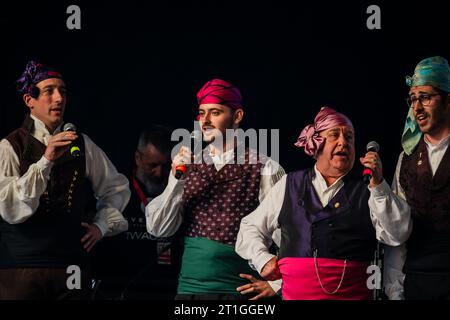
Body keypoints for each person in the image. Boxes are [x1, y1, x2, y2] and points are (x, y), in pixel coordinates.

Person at [235, 106, 412, 300]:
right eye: (334, 135)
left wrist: (379, 186)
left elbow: (398, 234)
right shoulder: (290, 184)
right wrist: (263, 259)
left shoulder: (370, 189)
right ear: (316, 143)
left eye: (349, 137)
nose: (343, 142)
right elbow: (250, 227)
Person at [0, 61, 130, 299]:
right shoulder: (10, 146)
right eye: (49, 91)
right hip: (20, 268)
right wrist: (46, 160)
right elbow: (9, 209)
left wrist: (101, 226)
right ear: (30, 100)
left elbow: (116, 188)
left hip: (71, 265)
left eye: (62, 91)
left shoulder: (82, 144)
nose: (59, 98)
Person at [146, 78, 285, 299]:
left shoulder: (264, 168)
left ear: (237, 116)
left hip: (238, 290)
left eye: (215, 112)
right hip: (191, 289)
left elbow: (286, 233)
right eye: (202, 113)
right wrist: (176, 179)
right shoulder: (186, 166)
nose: (205, 121)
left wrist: (278, 284)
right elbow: (159, 229)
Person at [383, 56, 450, 300]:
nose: (417, 108)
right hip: (417, 284)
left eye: (425, 97)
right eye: (413, 99)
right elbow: (397, 239)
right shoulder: (406, 160)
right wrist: (394, 291)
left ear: (448, 100)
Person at [91, 125, 183, 300]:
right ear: (138, 158)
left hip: (167, 290)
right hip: (120, 290)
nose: (159, 173)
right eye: (152, 165)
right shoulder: (116, 190)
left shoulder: (178, 190)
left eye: (166, 166)